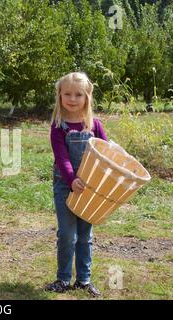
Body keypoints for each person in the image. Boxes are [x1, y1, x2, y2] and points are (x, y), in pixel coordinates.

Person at [45, 72, 108, 297]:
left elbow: (105, 153)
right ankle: (63, 279)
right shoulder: (58, 126)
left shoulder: (94, 125)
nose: (72, 99)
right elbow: (61, 157)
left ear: (87, 97)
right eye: (67, 94)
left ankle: (83, 280)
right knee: (66, 234)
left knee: (85, 235)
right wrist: (72, 180)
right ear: (60, 96)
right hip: (66, 185)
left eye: (78, 94)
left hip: (89, 189)